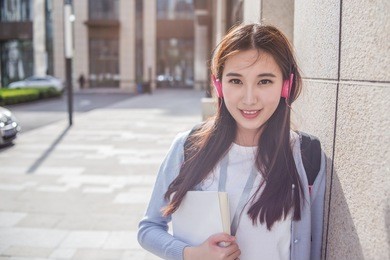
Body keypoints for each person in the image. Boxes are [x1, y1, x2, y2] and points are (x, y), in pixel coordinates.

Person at [138, 23, 326, 260]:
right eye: (236, 81)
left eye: (264, 81)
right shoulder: (188, 148)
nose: (249, 98)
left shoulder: (306, 156)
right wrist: (192, 254)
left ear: (285, 85)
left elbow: (315, 246)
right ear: (219, 85)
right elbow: (149, 228)